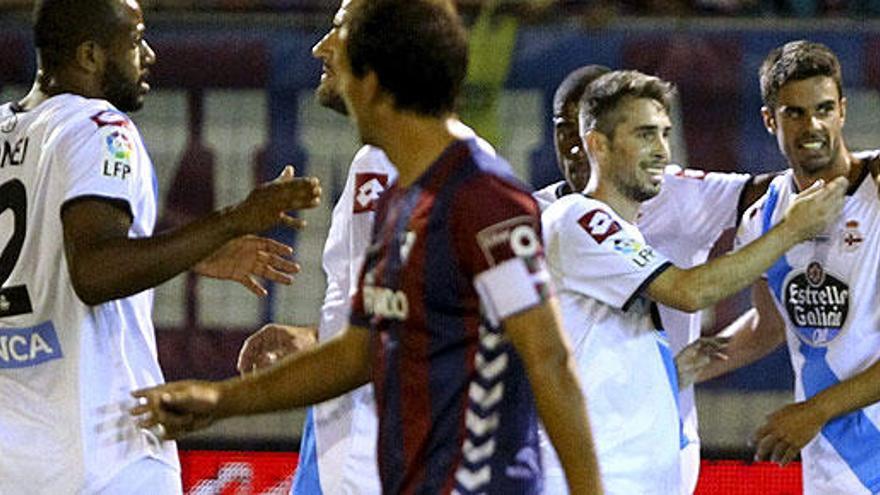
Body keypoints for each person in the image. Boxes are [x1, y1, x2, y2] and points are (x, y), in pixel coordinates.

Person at [132, 1, 602, 494]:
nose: (319, 50)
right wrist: (219, 400)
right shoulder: (400, 198)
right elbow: (359, 351)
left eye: (340, 41)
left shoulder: (483, 198)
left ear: (373, 83)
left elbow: (549, 360)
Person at [0, 0, 321, 493]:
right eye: (134, 40)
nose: (148, 54)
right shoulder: (100, 129)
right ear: (89, 55)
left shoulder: (7, 130)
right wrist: (233, 220)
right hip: (101, 455)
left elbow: (51, 250)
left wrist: (196, 252)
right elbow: (95, 272)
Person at [539, 69, 846, 494]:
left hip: (647, 469)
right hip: (589, 474)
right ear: (598, 145)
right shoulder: (575, 218)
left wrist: (666, 369)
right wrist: (790, 231)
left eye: (665, 134)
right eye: (645, 135)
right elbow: (688, 291)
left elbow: (597, 343)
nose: (662, 151)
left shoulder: (626, 231)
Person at [697, 40, 880, 495]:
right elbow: (767, 327)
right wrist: (674, 371)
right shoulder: (763, 216)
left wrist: (814, 411)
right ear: (769, 120)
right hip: (832, 467)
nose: (812, 125)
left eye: (822, 108)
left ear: (842, 110)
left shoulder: (876, 187)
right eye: (794, 113)